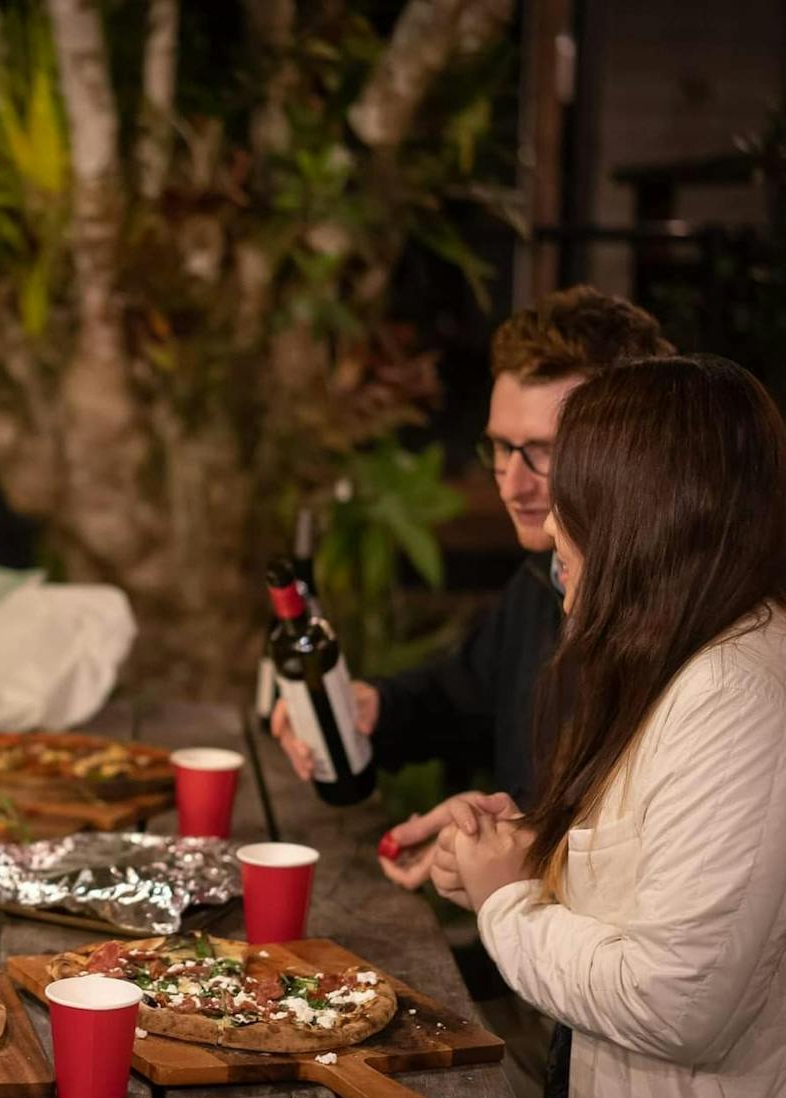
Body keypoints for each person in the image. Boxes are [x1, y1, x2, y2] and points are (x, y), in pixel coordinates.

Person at [429, 355, 786, 1098]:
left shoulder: (735, 691)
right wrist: (531, 851)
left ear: (638, 516)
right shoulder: (679, 660)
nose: (552, 529)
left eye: (572, 500)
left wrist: (505, 901)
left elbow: (674, 1000)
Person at [272, 286, 674, 880]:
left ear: (625, 449)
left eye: (544, 452)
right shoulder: (543, 576)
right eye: (501, 448)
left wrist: (512, 844)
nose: (511, 485)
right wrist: (375, 707)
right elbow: (467, 695)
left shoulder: (680, 620)